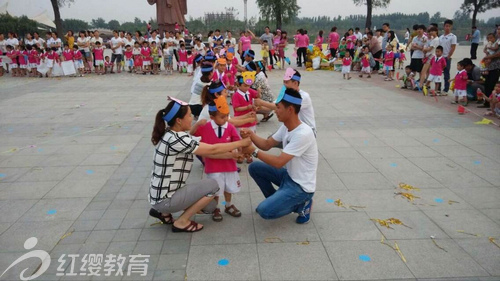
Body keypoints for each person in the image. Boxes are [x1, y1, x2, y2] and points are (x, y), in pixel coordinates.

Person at [148, 97, 251, 233]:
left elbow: (209, 150)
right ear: (179, 121)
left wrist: (233, 155)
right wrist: (241, 143)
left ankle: (164, 213)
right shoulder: (177, 140)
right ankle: (182, 221)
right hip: (165, 199)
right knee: (213, 187)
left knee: (209, 200)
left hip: (159, 196)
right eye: (189, 115)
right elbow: (212, 149)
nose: (192, 118)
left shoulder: (171, 135)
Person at [243, 88, 318, 224]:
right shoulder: (286, 126)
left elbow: (278, 162)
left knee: (265, 211)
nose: (275, 111)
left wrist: (253, 151)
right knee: (255, 168)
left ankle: (302, 204)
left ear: (290, 110)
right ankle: (279, 200)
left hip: (301, 187)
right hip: (289, 176)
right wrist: (251, 135)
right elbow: (266, 144)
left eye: (278, 107)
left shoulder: (303, 133)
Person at [192, 97, 243, 222]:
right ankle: (215, 208)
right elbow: (191, 135)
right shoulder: (205, 127)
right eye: (222, 117)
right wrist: (197, 123)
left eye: (227, 116)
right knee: (215, 189)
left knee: (228, 187)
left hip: (229, 164)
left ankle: (228, 205)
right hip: (213, 165)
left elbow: (236, 141)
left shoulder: (230, 127)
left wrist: (237, 150)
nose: (225, 119)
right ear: (212, 116)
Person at [480, 26, 500, 109]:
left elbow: (498, 54)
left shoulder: (497, 43)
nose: (498, 30)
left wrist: (489, 57)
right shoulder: (496, 41)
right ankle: (487, 102)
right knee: (487, 84)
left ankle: (492, 104)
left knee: (492, 84)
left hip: (496, 66)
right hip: (490, 66)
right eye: (498, 29)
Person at [439, 19, 457, 94]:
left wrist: (449, 56)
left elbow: (453, 47)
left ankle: (446, 88)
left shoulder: (452, 37)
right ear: (444, 27)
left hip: (446, 57)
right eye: (446, 26)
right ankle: (438, 87)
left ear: (451, 27)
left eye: (449, 26)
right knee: (438, 73)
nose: (447, 28)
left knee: (446, 74)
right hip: (440, 57)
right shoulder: (441, 37)